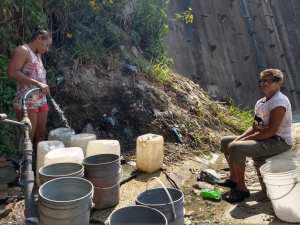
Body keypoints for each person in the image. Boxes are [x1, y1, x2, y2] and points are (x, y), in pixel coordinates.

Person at [220, 68, 292, 203]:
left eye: (268, 81)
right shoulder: (261, 102)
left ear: (278, 83)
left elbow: (271, 131)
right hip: (265, 137)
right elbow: (255, 127)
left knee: (236, 148)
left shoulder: (279, 102)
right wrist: (239, 138)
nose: (263, 84)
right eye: (262, 81)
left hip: (279, 141)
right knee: (226, 141)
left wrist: (241, 141)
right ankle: (234, 179)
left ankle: (242, 189)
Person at [8, 28, 52, 148]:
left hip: (41, 100)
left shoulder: (37, 54)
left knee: (41, 136)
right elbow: (12, 73)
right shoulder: (23, 50)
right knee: (28, 138)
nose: (46, 49)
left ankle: (38, 164)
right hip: (26, 101)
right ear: (38, 38)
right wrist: (38, 84)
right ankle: (24, 165)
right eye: (46, 45)